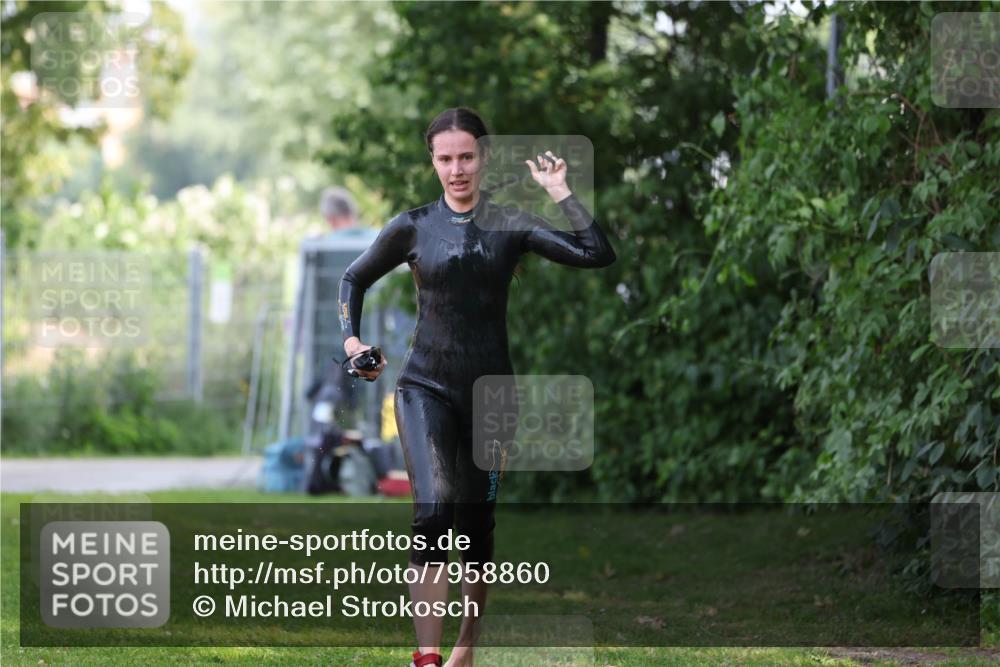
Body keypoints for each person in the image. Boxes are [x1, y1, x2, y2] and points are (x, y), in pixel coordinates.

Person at [337, 107, 616, 667]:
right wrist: (352, 344)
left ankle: (468, 641)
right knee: (433, 513)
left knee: (475, 525)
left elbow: (596, 254)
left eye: (466, 156)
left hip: (492, 396)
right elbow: (354, 278)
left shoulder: (511, 224)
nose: (457, 169)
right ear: (434, 162)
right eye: (446, 159)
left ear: (483, 158)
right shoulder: (412, 226)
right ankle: (428, 656)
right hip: (424, 387)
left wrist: (561, 191)